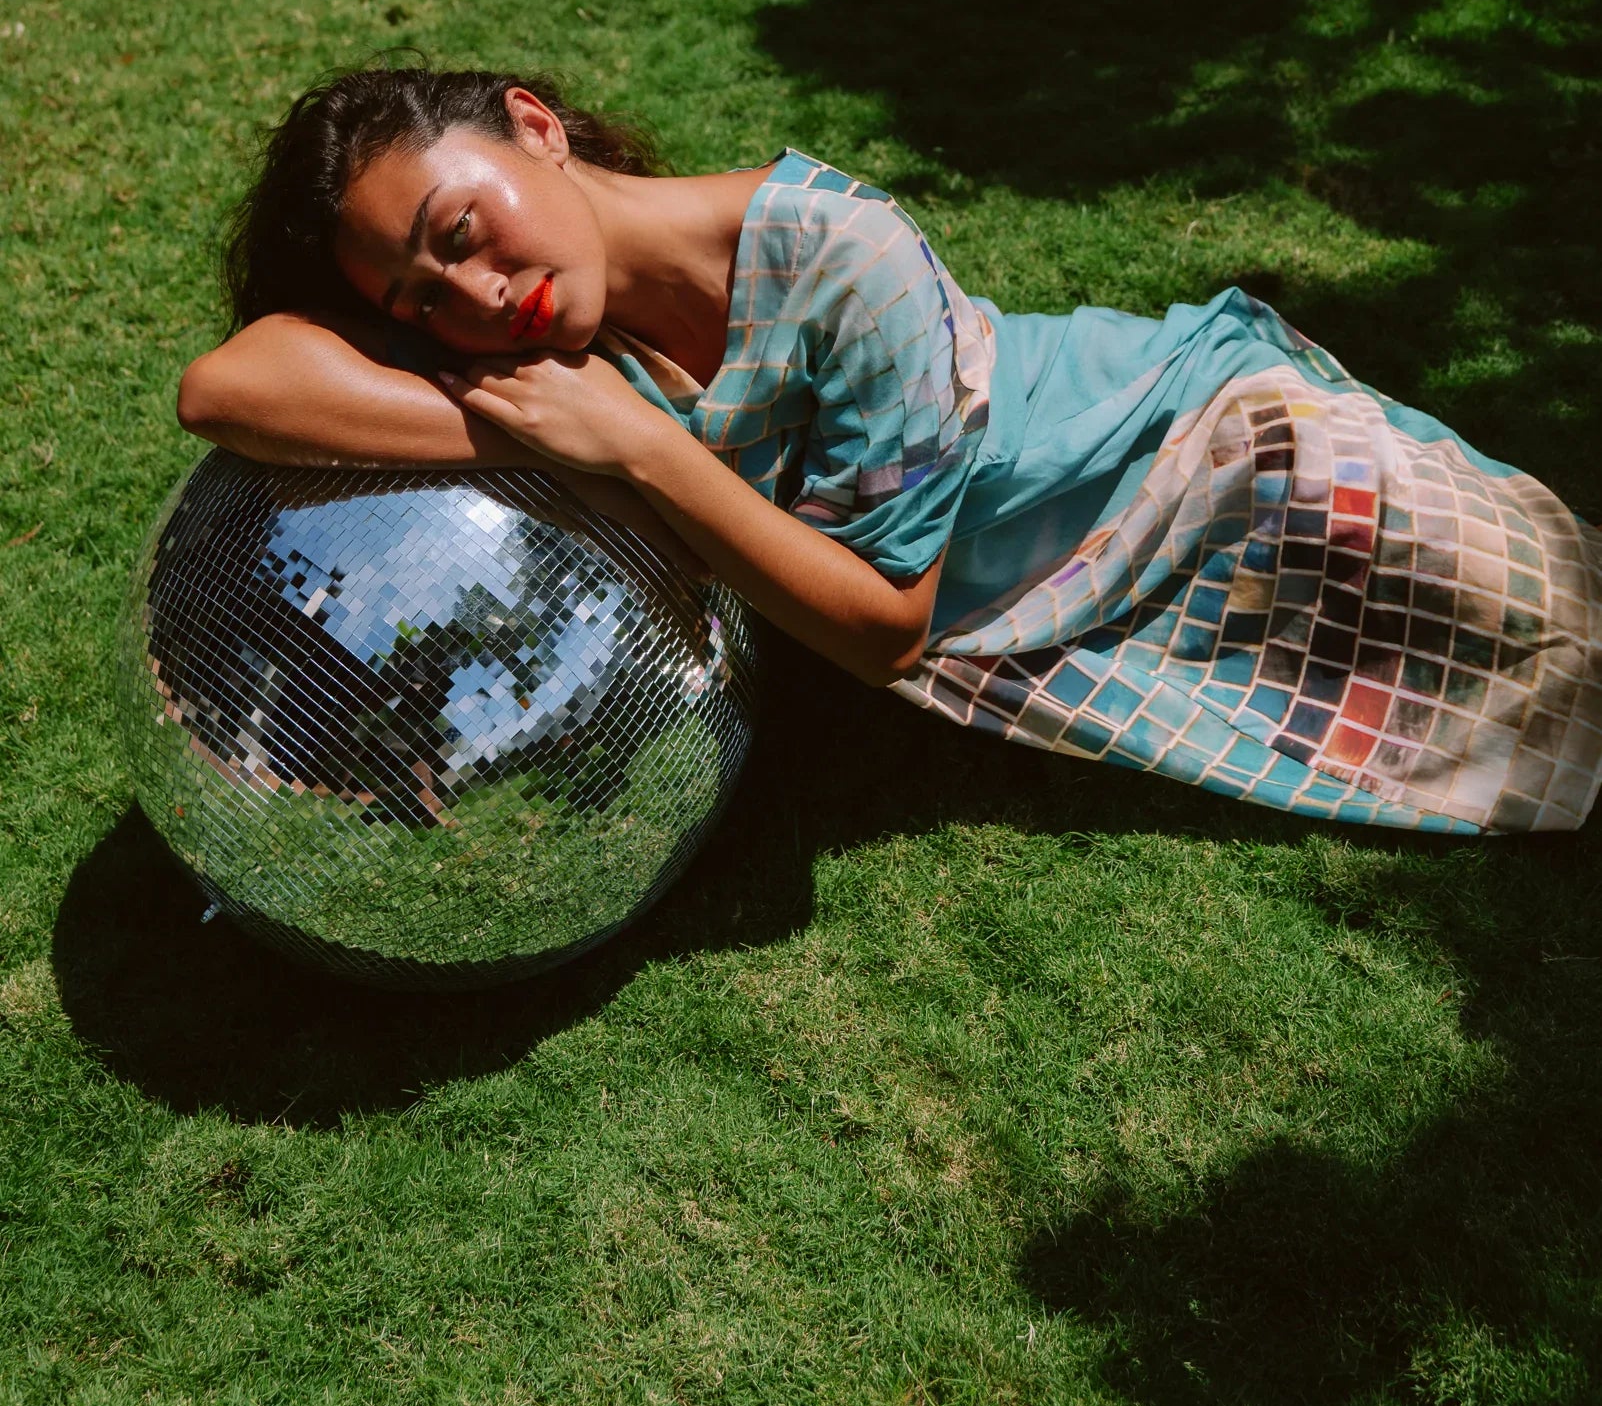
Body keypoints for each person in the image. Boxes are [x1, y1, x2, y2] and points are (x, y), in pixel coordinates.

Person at [178, 66, 1602, 837]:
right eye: (419, 302)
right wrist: (526, 423)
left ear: (534, 131)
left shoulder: (833, 250)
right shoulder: (550, 364)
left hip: (1218, 451)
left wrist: (628, 450)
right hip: (1037, 569)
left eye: (461, 234)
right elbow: (225, 389)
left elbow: (877, 632)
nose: (477, 302)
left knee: (1550, 635)